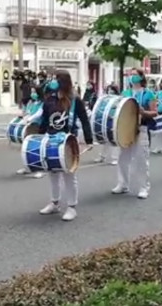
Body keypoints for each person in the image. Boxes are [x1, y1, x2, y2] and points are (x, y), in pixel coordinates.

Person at [38, 70, 93, 221]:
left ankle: (71, 207)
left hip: (68, 141)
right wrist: (37, 136)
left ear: (63, 81)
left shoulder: (75, 100)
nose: (52, 81)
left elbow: (84, 121)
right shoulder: (49, 99)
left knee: (69, 175)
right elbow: (44, 120)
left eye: (55, 79)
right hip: (51, 139)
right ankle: (54, 203)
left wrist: (89, 140)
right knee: (52, 173)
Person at [111, 70, 156, 199]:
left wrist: (143, 112)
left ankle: (143, 187)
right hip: (126, 129)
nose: (132, 76)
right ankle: (123, 184)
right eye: (130, 74)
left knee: (141, 160)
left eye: (135, 74)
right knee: (122, 158)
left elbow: (154, 112)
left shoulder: (148, 94)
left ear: (141, 77)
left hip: (141, 128)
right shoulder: (125, 93)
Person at [16, 85, 45, 179]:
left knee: (36, 148)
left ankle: (40, 169)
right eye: (32, 92)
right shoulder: (30, 102)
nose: (33, 94)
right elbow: (27, 112)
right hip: (29, 126)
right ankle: (28, 167)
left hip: (38, 126)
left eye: (34, 92)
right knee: (26, 148)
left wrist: (30, 119)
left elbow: (39, 114)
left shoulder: (43, 103)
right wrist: (23, 116)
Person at [94, 82, 119, 165]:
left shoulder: (118, 99)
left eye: (111, 90)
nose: (110, 92)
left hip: (114, 121)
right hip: (106, 120)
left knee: (114, 140)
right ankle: (102, 156)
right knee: (105, 138)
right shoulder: (105, 99)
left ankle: (115, 158)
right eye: (109, 90)